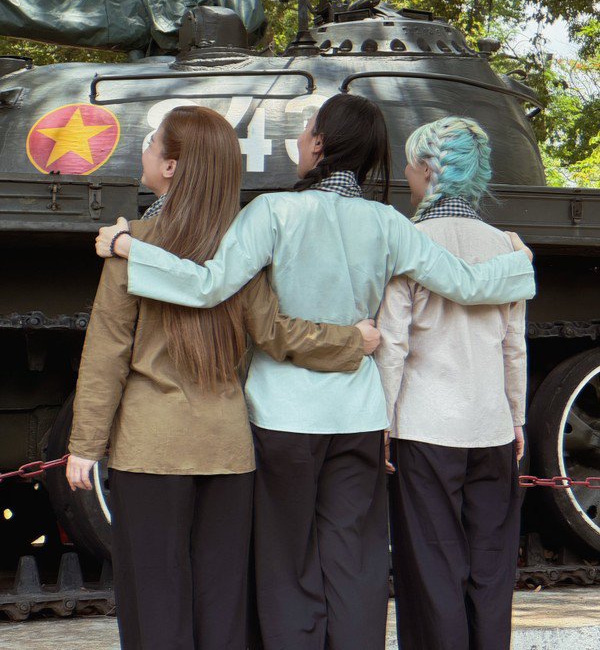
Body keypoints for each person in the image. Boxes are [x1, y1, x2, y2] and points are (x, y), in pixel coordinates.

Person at [97, 94, 535, 650]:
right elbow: (467, 285)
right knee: (354, 564)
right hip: (357, 416)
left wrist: (132, 248)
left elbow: (207, 287)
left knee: (287, 564)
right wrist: (518, 263)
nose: (300, 140)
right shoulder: (389, 223)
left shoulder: (272, 212)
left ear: (321, 144)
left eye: (306, 130)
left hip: (283, 419)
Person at [66, 105, 381, 650]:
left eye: (151, 143)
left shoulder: (132, 245)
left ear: (170, 167)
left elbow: (106, 354)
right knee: (224, 607)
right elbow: (276, 333)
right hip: (229, 452)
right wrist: (353, 341)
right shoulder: (240, 249)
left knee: (155, 602)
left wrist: (85, 447)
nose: (145, 150)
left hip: (151, 451)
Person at [376, 116, 527, 650]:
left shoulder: (409, 244)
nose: (407, 175)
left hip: (425, 429)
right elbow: (513, 346)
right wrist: (517, 419)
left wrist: (383, 422)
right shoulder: (507, 247)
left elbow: (392, 345)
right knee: (491, 569)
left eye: (410, 165)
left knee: (431, 568)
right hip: (492, 428)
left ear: (426, 169)